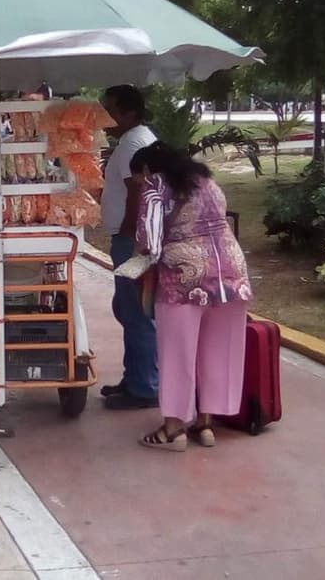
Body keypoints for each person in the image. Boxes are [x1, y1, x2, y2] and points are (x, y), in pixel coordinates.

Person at [128, 141, 252, 451]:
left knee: (177, 353)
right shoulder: (207, 181)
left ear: (146, 169)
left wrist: (135, 263)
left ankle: (173, 430)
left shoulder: (156, 185)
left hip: (184, 278)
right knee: (217, 349)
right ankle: (206, 423)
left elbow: (149, 241)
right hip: (231, 274)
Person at [99, 84, 159, 409]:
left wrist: (127, 234)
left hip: (132, 242)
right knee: (128, 308)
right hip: (133, 239)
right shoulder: (133, 140)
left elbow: (137, 192)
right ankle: (134, 377)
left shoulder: (134, 142)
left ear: (129, 112)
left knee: (136, 312)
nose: (105, 116)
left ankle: (145, 387)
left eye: (110, 110)